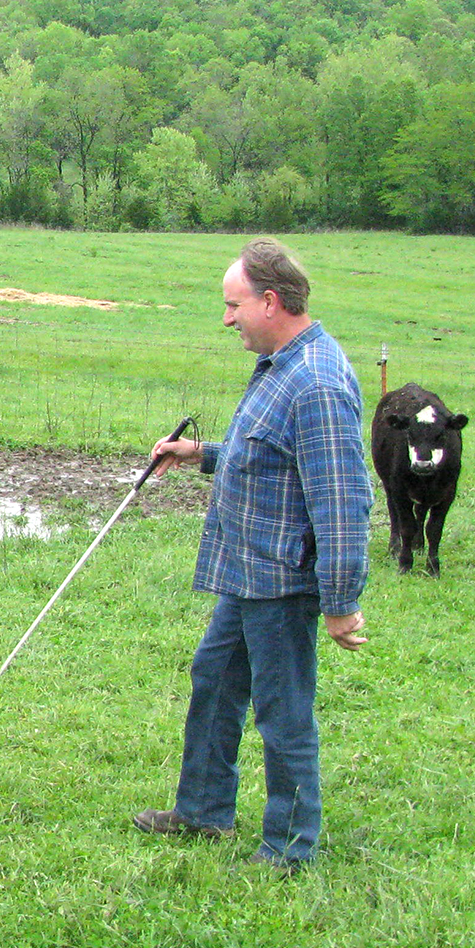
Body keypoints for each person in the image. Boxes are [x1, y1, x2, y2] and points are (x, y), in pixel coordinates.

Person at [132, 238, 371, 873]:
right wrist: (199, 454)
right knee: (214, 681)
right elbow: (269, 458)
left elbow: (343, 501)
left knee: (283, 710)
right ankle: (203, 812)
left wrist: (341, 602)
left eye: (234, 305)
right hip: (247, 573)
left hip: (283, 581)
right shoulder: (282, 365)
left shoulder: (317, 381)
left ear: (271, 301)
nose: (228, 318)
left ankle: (290, 848)